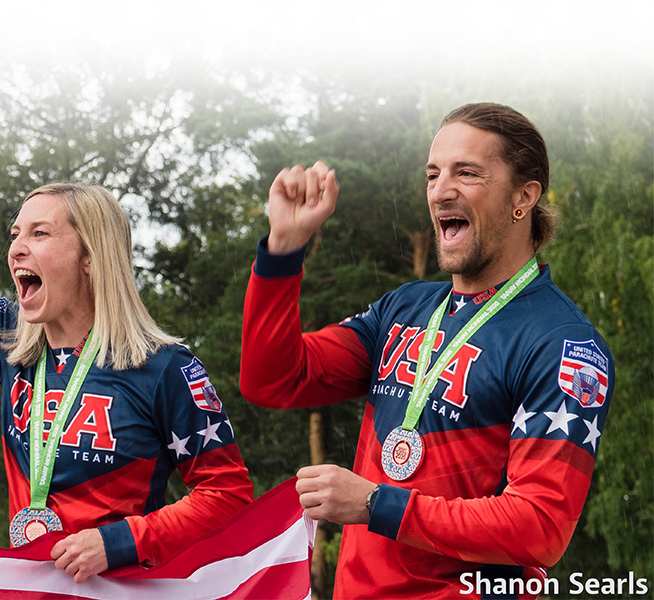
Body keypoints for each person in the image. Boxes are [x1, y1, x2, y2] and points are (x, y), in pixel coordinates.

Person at [0, 74, 254, 582]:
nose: (16, 248)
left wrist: (122, 541)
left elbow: (228, 496)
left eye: (40, 234)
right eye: (16, 234)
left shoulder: (164, 367)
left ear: (90, 258)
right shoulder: (9, 337)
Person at [240, 103, 614, 597]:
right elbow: (273, 379)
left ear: (523, 196)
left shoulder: (565, 344)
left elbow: (538, 527)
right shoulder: (403, 308)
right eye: (433, 174)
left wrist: (377, 504)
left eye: (467, 172)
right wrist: (284, 248)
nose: (440, 191)